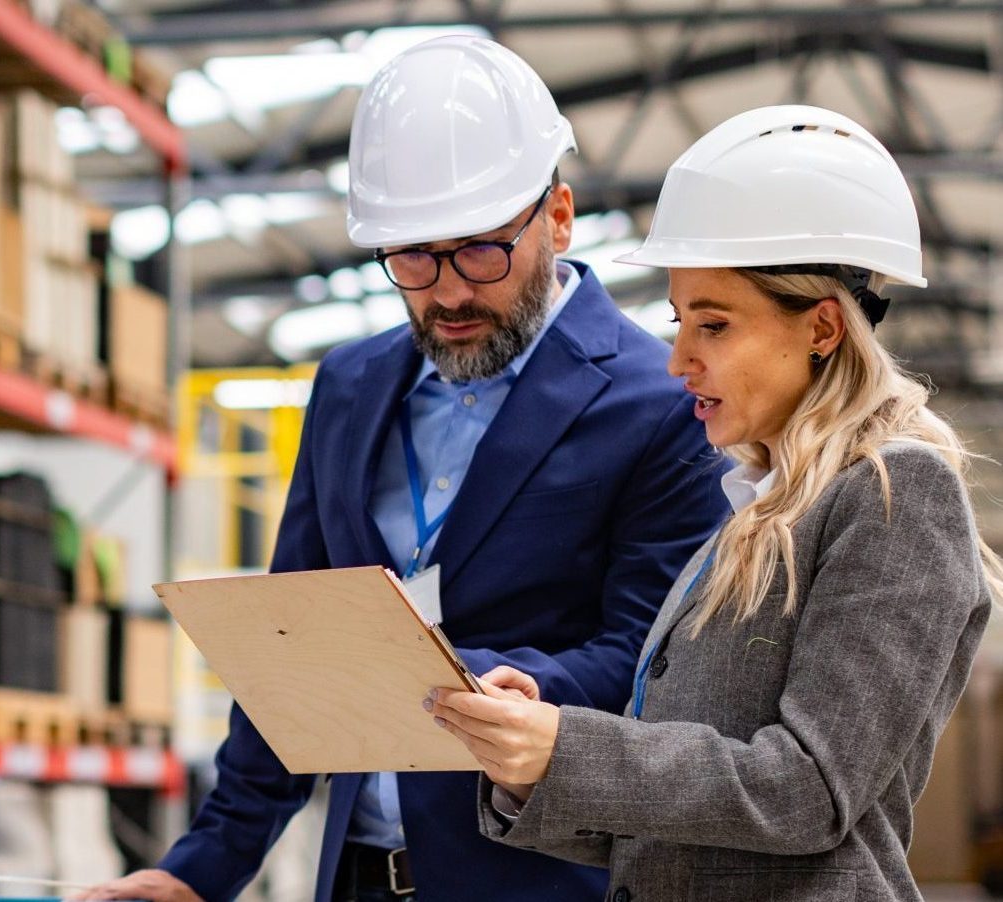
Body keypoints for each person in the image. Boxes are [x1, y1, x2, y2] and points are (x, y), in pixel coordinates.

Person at [72, 35, 727, 902]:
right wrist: (201, 872)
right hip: (357, 879)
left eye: (481, 252)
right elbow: (289, 652)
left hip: (542, 885)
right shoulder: (349, 386)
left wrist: (504, 689)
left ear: (558, 216)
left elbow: (651, 660)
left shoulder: (659, 401)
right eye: (412, 258)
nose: (449, 291)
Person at [430, 104, 1003, 902]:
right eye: (678, 321)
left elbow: (806, 790)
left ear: (824, 328)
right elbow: (682, 826)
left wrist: (569, 748)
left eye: (714, 324)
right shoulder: (748, 518)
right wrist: (528, 766)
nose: (677, 362)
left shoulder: (895, 493)